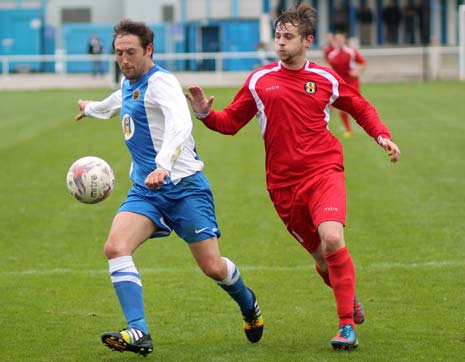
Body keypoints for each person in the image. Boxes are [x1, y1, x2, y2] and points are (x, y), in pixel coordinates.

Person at [186, 3, 400, 351]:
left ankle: (346, 325)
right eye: (277, 36)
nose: (280, 43)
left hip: (323, 172)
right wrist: (207, 115)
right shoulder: (259, 80)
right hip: (283, 186)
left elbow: (359, 106)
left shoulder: (325, 78)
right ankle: (347, 296)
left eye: (288, 37)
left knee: (332, 239)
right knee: (322, 260)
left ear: (307, 41)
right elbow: (230, 124)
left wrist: (382, 135)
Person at [74, 19, 264, 357]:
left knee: (213, 267)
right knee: (116, 247)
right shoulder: (129, 80)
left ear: (149, 50)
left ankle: (248, 304)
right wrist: (91, 109)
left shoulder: (162, 82)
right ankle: (139, 331)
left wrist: (163, 165)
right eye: (118, 53)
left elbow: (181, 123)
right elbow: (120, 99)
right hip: (146, 190)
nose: (124, 59)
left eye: (131, 52)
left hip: (185, 188)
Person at [327, 32, 367, 138]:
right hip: (340, 84)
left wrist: (357, 71)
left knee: (355, 105)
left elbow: (363, 63)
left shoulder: (351, 52)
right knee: (343, 108)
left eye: (341, 39)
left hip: (352, 83)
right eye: (337, 40)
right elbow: (331, 67)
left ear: (344, 40)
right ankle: (349, 130)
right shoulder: (332, 55)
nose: (339, 42)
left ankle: (366, 122)